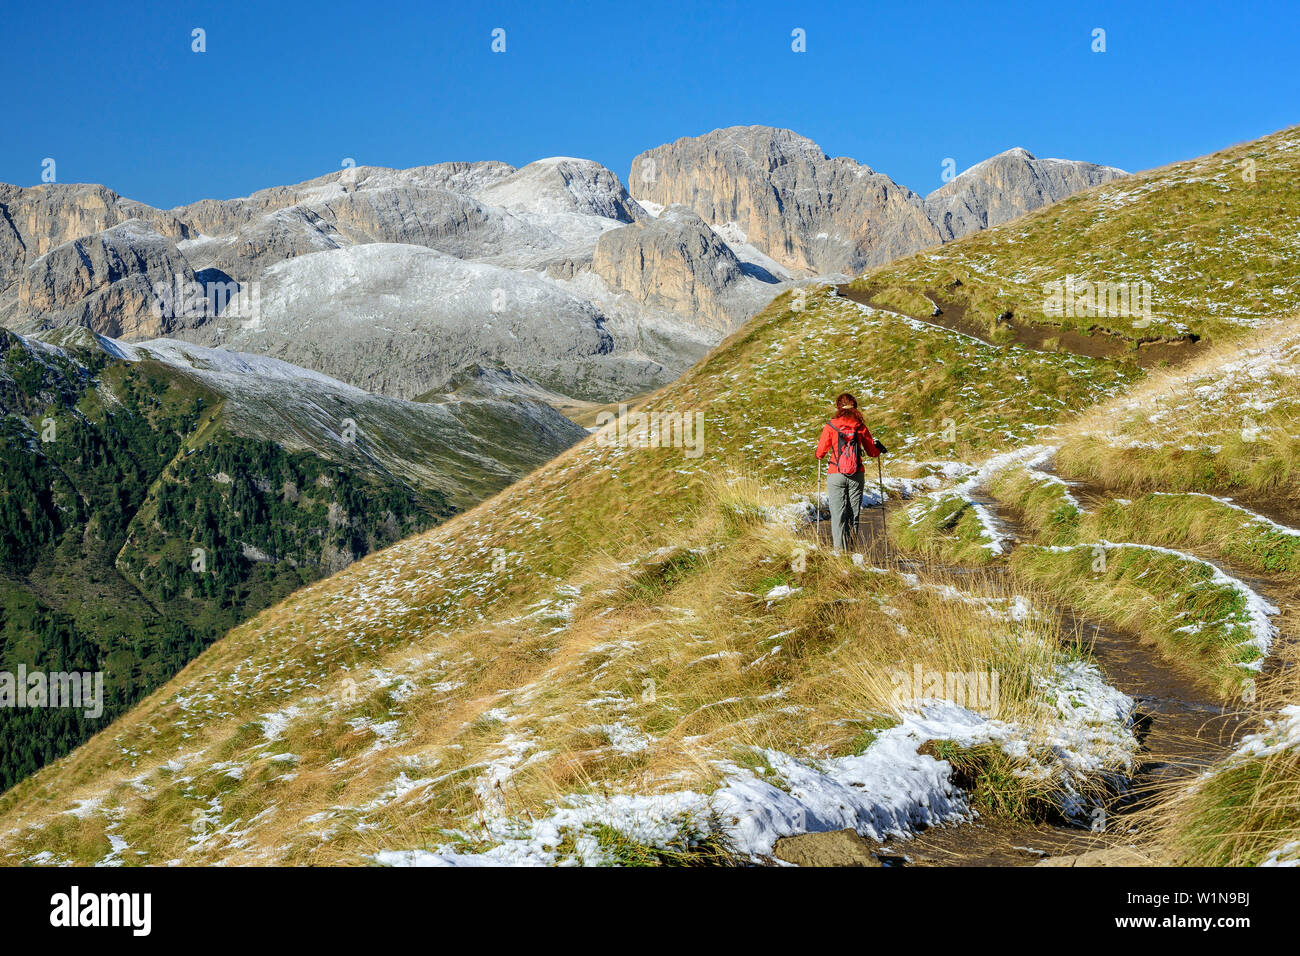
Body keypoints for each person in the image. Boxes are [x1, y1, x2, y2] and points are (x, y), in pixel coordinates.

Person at [815, 393, 886, 552]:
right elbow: (872, 452)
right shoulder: (859, 426)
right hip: (856, 474)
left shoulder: (831, 425)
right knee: (853, 513)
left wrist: (818, 454)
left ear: (838, 407)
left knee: (838, 514)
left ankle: (839, 552)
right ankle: (851, 551)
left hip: (835, 473)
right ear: (855, 407)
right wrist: (879, 448)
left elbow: (820, 453)